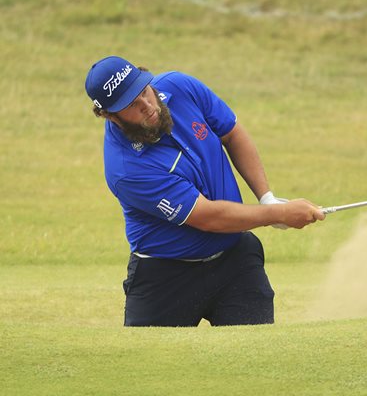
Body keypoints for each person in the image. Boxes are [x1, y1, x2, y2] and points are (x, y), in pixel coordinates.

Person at [85, 56, 325, 327]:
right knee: (154, 365)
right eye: (131, 105)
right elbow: (209, 217)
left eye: (144, 91)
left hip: (234, 260)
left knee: (254, 355)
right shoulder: (125, 169)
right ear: (109, 115)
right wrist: (276, 213)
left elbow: (232, 134)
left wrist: (266, 197)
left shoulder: (180, 87)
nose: (147, 106)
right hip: (165, 277)